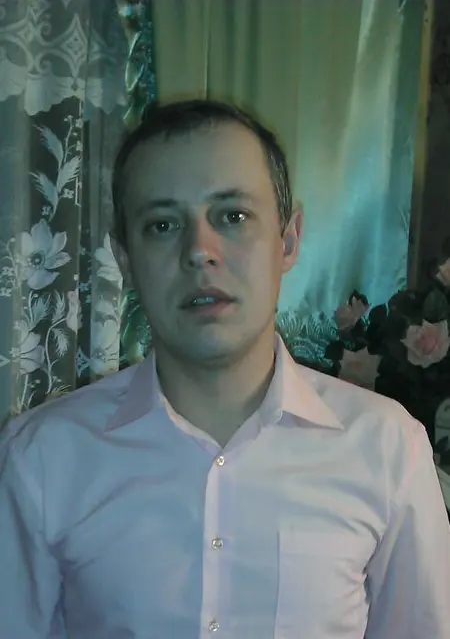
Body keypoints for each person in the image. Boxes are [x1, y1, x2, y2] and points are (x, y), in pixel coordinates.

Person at [0, 99, 449, 639]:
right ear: (125, 260)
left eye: (232, 216)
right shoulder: (43, 458)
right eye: (162, 225)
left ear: (288, 239)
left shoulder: (387, 448)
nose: (199, 251)